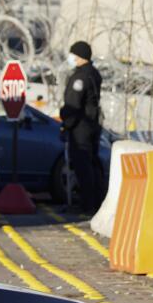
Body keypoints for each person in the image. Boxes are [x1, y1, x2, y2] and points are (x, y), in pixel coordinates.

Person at [60, 41, 104, 213]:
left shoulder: (80, 77)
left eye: (73, 55)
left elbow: (73, 103)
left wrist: (66, 123)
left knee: (83, 166)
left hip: (81, 127)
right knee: (92, 164)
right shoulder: (94, 73)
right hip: (91, 124)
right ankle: (95, 202)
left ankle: (86, 204)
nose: (70, 58)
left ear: (80, 56)